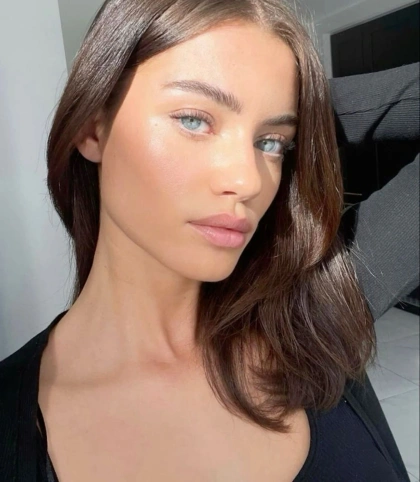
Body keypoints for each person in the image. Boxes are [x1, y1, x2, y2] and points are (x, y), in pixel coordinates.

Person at [0, 0, 418, 480]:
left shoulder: (315, 312)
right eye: (193, 120)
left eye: (271, 143)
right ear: (92, 127)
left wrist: (299, 111)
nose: (248, 180)